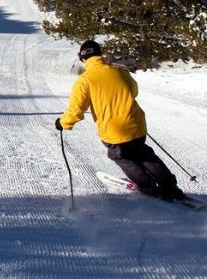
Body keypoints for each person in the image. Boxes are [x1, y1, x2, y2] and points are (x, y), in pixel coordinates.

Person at [55, 39, 186, 201]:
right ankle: (169, 186)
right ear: (100, 54)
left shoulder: (85, 81)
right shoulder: (119, 71)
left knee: (121, 157)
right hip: (136, 124)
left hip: (114, 131)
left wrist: (63, 123)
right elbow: (133, 90)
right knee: (143, 153)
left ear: (82, 58)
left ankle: (147, 185)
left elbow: (76, 111)